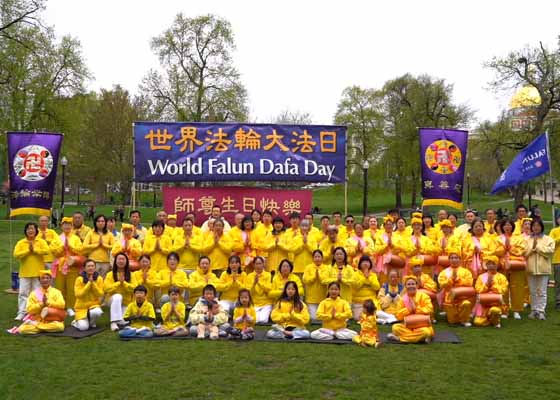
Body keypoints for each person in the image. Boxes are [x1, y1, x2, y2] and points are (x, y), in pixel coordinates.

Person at [13, 222, 50, 320]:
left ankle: (35, 312)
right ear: (25, 231)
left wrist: (35, 250)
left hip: (38, 272)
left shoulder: (41, 241)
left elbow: (46, 251)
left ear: (36, 231)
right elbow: (16, 254)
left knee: (36, 293)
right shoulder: (21, 242)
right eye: (28, 229)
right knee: (23, 293)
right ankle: (22, 312)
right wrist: (28, 251)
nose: (30, 231)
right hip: (25, 272)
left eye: (32, 229)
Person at [12, 270, 66, 335]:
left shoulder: (56, 292)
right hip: (37, 319)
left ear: (50, 280)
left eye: (47, 278)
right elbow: (29, 309)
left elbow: (62, 305)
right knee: (22, 330)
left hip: (52, 319)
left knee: (60, 327)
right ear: (39, 280)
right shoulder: (33, 293)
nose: (45, 280)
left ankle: (38, 328)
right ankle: (45, 329)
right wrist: (41, 304)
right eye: (43, 278)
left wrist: (48, 303)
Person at [387, 275, 435, 344]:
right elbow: (397, 315)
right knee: (395, 328)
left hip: (421, 325)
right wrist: (408, 310)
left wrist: (417, 309)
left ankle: (400, 339)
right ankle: (420, 339)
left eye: (413, 284)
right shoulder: (402, 299)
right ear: (405, 286)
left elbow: (430, 309)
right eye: (408, 284)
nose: (411, 286)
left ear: (416, 285)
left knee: (426, 332)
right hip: (408, 325)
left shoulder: (424, 296)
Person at [495, 219, 527, 319]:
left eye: (509, 225)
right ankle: (504, 310)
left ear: (512, 227)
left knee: (517, 287)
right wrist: (504, 248)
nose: (507, 227)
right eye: (505, 225)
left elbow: (522, 250)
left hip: (516, 265)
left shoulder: (519, 238)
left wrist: (510, 248)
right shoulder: (497, 239)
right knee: (503, 288)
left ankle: (516, 310)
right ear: (502, 227)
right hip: (502, 266)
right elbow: (495, 251)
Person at [52, 217, 84, 318]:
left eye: (69, 224)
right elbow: (53, 250)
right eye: (65, 224)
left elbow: (80, 250)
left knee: (71, 287)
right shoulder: (57, 238)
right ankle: (61, 305)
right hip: (60, 265)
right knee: (60, 286)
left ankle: (70, 306)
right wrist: (62, 247)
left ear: (72, 226)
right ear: (61, 226)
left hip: (72, 265)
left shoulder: (75, 238)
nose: (67, 226)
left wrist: (70, 247)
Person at [525, 219, 555, 320]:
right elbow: (523, 252)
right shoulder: (527, 239)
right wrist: (532, 249)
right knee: (532, 291)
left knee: (542, 291)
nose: (536, 228)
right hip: (530, 268)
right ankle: (534, 310)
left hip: (543, 269)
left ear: (541, 227)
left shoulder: (548, 239)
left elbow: (550, 251)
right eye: (534, 226)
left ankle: (541, 310)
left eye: (538, 226)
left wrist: (537, 248)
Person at [438, 248, 474, 327]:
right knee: (453, 321)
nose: (454, 260)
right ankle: (453, 315)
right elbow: (442, 284)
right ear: (449, 260)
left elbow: (469, 283)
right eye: (452, 258)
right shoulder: (444, 272)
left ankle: (465, 320)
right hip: (449, 298)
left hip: (463, 297)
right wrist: (451, 280)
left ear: (460, 259)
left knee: (466, 304)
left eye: (456, 258)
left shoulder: (466, 271)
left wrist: (458, 280)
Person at [473, 256, 508, 328]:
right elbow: (478, 289)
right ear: (486, 265)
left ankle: (495, 321)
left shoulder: (502, 277)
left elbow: (503, 290)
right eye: (489, 264)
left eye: (493, 264)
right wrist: (487, 285)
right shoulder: (481, 277)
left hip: (496, 303)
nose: (491, 266)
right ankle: (488, 319)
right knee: (478, 323)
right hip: (483, 304)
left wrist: (492, 285)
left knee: (495, 311)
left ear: (497, 265)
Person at [104, 253, 136, 331]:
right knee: (118, 296)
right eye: (119, 259)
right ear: (115, 261)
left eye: (123, 259)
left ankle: (117, 318)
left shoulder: (131, 275)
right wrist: (118, 283)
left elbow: (134, 288)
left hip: (126, 303)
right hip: (112, 300)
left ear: (126, 262)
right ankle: (113, 322)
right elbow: (106, 289)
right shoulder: (110, 274)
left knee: (123, 322)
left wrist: (124, 283)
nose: (121, 261)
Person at [72, 259, 104, 331]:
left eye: (92, 266)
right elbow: (78, 295)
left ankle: (91, 322)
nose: (91, 268)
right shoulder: (79, 279)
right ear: (84, 268)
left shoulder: (99, 279)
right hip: (81, 307)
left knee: (97, 312)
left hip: (93, 305)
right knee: (83, 328)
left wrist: (93, 283)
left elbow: (100, 293)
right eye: (88, 266)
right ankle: (75, 322)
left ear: (95, 268)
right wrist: (89, 283)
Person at [352, 256, 380, 321]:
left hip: (371, 301)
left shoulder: (373, 275)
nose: (365, 263)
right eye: (363, 262)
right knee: (357, 318)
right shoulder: (355, 274)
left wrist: (369, 279)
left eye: (367, 262)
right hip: (359, 302)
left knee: (377, 314)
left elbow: (377, 287)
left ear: (370, 264)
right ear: (360, 264)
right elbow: (356, 286)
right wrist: (364, 278)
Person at [302, 249, 328, 320]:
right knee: (313, 317)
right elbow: (305, 280)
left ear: (322, 258)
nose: (317, 259)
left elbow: (326, 280)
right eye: (315, 257)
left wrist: (319, 276)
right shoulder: (308, 267)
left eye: (319, 257)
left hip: (323, 298)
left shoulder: (326, 268)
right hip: (311, 298)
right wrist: (313, 277)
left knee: (321, 317)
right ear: (313, 258)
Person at [246, 256, 273, 323]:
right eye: (256, 264)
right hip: (254, 303)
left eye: (260, 263)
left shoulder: (268, 275)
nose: (258, 266)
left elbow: (268, 289)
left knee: (263, 320)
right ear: (253, 265)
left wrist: (259, 282)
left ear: (263, 264)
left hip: (266, 303)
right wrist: (254, 284)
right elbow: (249, 292)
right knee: (255, 320)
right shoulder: (249, 276)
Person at [549, 215, 560, 310]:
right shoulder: (554, 231)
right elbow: (550, 243)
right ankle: (558, 302)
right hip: (558, 260)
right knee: (558, 282)